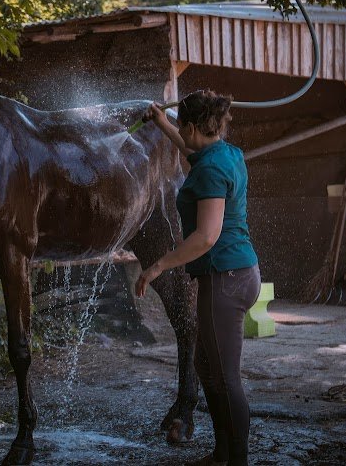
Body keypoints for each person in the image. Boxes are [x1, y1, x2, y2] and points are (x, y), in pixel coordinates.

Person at [135, 89, 260, 466]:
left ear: (192, 125)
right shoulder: (226, 154)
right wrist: (163, 124)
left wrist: (157, 266)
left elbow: (205, 237)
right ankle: (222, 453)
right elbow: (193, 151)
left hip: (224, 278)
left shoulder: (210, 169)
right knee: (207, 367)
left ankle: (235, 459)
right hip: (238, 273)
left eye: (181, 128)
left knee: (226, 377)